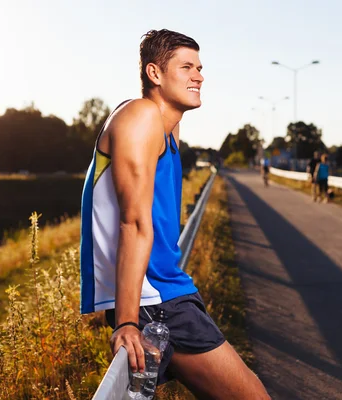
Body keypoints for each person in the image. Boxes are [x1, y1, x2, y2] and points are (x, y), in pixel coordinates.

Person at [79, 29, 270, 399]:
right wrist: (128, 322)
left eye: (199, 67)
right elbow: (133, 223)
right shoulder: (140, 116)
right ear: (154, 73)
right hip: (155, 302)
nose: (199, 75)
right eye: (186, 67)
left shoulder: (168, 127)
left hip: (167, 292)